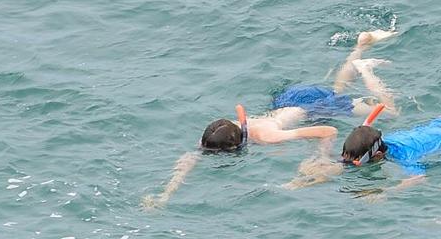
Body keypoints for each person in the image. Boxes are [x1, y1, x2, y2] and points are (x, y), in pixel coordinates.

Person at [144, 28, 400, 208]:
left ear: (234, 147)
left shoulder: (267, 137)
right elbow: (189, 159)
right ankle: (360, 47)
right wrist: (166, 194)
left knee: (390, 110)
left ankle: (367, 70)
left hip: (312, 108)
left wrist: (320, 157)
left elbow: (328, 131)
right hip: (287, 100)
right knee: (339, 88)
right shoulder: (223, 130)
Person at [288, 31, 441, 191]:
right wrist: (303, 179)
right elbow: (340, 163)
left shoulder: (404, 157)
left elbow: (418, 179)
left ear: (376, 158)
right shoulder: (381, 146)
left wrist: (387, 192)